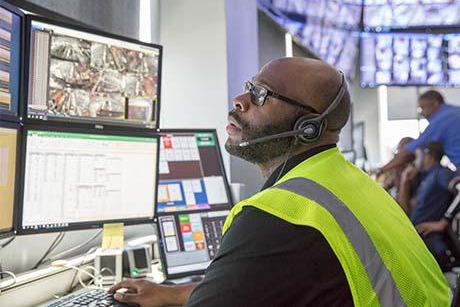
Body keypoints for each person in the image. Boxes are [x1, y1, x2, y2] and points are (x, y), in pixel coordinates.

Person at [110, 58, 450, 306]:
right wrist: (174, 293)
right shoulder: (351, 184)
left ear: (309, 127)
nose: (239, 101)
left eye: (261, 95)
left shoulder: (279, 215)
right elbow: (256, 283)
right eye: (249, 88)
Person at [374, 90, 460, 175]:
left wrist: (380, 171)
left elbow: (409, 151)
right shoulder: (454, 111)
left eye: (423, 108)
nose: (422, 113)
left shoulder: (440, 121)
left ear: (435, 104)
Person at [398, 142, 455, 270]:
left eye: (418, 157)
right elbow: (406, 210)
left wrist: (443, 222)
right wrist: (404, 182)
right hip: (416, 237)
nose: (415, 162)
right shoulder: (425, 178)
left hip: (431, 241)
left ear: (428, 157)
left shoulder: (441, 174)